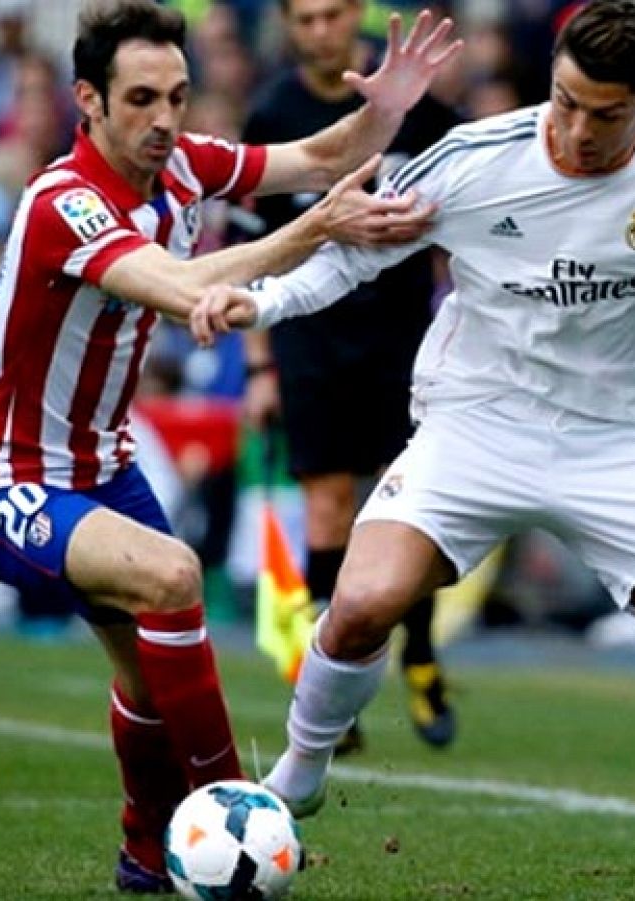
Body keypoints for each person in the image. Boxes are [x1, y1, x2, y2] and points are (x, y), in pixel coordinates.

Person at [200, 4, 635, 898]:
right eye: (566, 101)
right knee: (359, 603)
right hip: (476, 424)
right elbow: (355, 257)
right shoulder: (477, 159)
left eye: (606, 114)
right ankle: (297, 777)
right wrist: (263, 306)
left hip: (613, 444)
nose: (578, 131)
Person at [0, 0, 459, 893]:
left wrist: (388, 110)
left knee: (148, 685)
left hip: (106, 471)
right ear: (88, 102)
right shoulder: (63, 202)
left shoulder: (183, 168)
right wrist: (311, 231)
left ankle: (147, 850)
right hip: (9, 482)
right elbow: (182, 289)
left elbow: (318, 157)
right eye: (141, 99)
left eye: (178, 97)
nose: (165, 120)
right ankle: (236, 805)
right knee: (176, 576)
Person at [238, 0, 462, 753]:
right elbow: (249, 246)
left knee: (411, 505)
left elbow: (459, 230)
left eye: (331, 15)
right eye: (304, 20)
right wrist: (259, 363)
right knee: (329, 506)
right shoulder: (272, 111)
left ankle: (422, 657)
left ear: (355, 15)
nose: (320, 32)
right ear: (288, 27)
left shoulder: (418, 109)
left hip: (402, 335)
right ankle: (334, 687)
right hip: (308, 334)